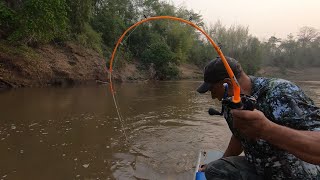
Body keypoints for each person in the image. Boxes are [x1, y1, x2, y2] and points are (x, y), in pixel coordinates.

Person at [197, 56, 320, 179]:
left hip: (297, 174)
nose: (212, 96)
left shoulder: (281, 92)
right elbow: (239, 136)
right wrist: (222, 160)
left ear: (227, 84)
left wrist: (266, 130)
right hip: (260, 169)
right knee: (215, 170)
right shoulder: (230, 102)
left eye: (212, 89)